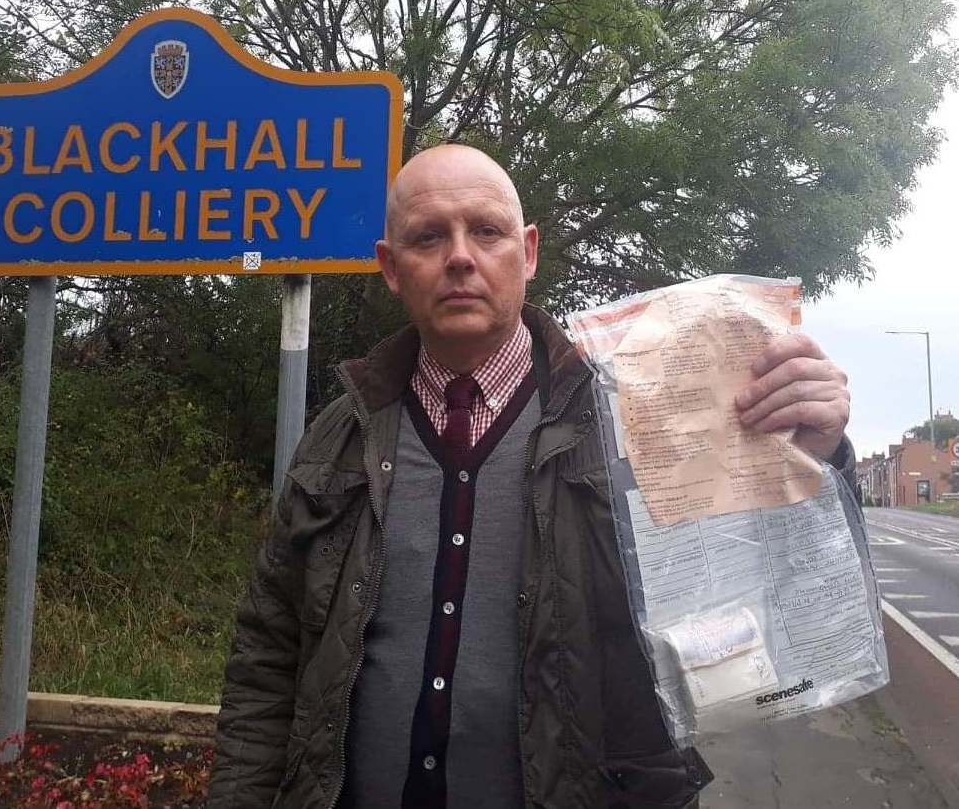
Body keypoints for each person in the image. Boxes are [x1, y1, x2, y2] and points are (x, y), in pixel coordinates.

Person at [206, 144, 855, 809]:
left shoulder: (638, 420)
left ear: (530, 251)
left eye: (486, 231)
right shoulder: (337, 437)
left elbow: (771, 585)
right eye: (429, 236)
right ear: (392, 268)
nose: (461, 256)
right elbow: (268, 653)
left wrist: (818, 457)